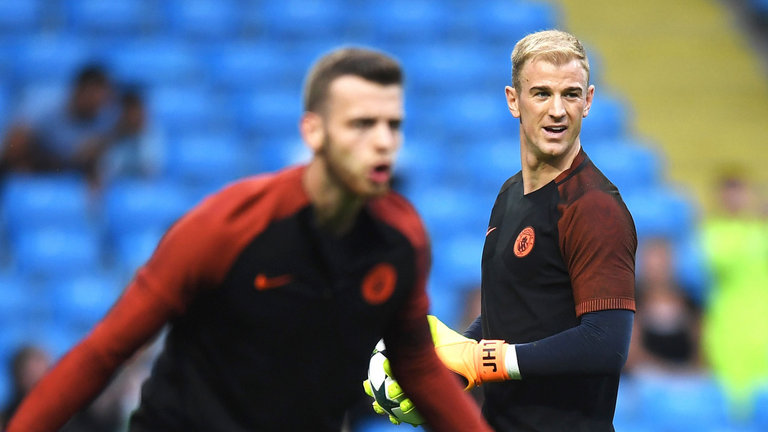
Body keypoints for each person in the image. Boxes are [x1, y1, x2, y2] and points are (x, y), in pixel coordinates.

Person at [6, 47, 491, 432]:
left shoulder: (402, 242)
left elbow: (417, 367)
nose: (383, 140)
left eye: (392, 125)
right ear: (314, 132)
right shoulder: (225, 227)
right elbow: (103, 353)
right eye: (362, 124)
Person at [370, 30, 637, 431]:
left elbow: (605, 343)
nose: (557, 110)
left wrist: (485, 362)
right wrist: (446, 362)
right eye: (542, 93)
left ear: (589, 101)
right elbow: (510, 314)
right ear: (514, 100)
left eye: (571, 94)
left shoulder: (594, 208)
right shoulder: (509, 193)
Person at [0, 64, 118, 182]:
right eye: (94, 95)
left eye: (102, 96)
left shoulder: (107, 120)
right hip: (40, 168)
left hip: (75, 178)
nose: (98, 101)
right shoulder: (45, 111)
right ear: (79, 90)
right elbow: (17, 143)